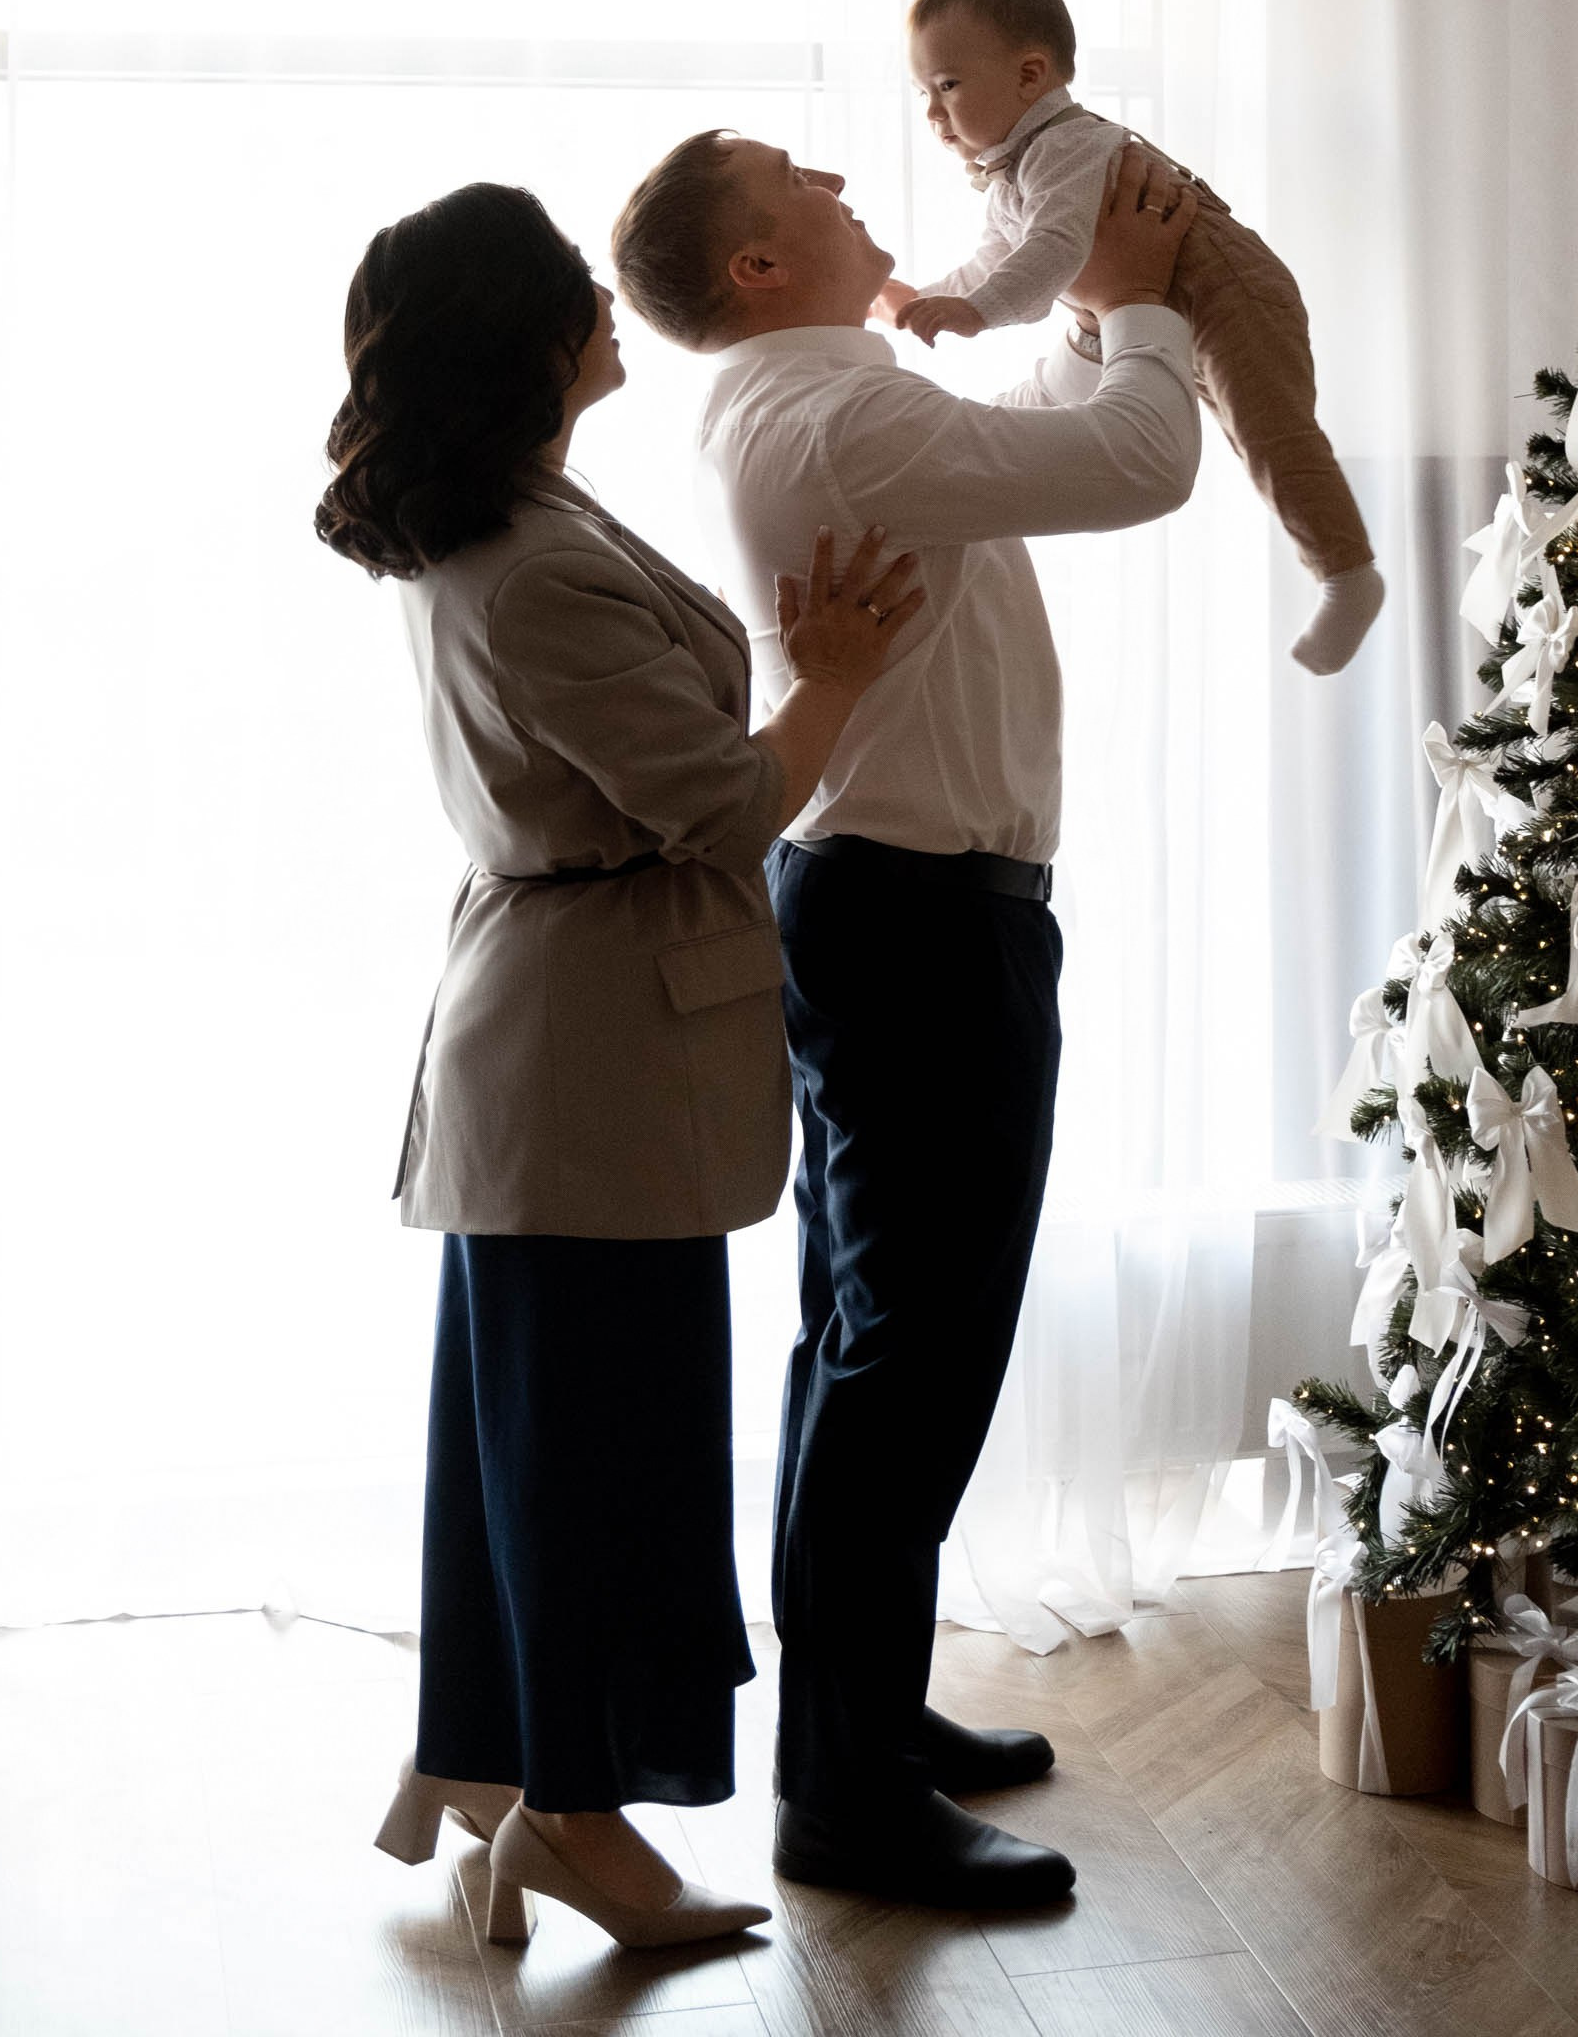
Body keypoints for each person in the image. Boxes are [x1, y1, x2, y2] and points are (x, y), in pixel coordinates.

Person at [314, 181, 921, 1953]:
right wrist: (835, 673)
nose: (603, 294)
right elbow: (724, 806)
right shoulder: (534, 559)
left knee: (536, 1441)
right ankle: (574, 1819)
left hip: (557, 1048)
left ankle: (503, 1774)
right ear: (520, 342)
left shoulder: (507, 518)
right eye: (567, 282)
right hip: (589, 1064)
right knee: (599, 1457)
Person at [609, 128, 1201, 1912]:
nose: (849, 176)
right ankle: (846, 1795)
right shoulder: (832, 416)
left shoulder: (838, 396)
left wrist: (1098, 315)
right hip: (918, 922)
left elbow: (1029, 426)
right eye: (802, 178)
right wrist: (1152, 310)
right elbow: (1137, 463)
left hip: (894, 908)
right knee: (906, 1358)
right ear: (758, 269)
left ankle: (858, 1726)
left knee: (858, 1347)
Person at [881, 0, 1385, 677]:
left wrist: (976, 312)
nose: (933, 112)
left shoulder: (1068, 145)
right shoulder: (1015, 173)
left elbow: (1053, 252)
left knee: (1269, 432)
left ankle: (1347, 573)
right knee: (1247, 435)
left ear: (1030, 75)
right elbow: (998, 258)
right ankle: (1337, 564)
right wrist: (927, 298)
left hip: (1226, 284)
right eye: (922, 91)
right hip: (1163, 300)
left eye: (948, 85)